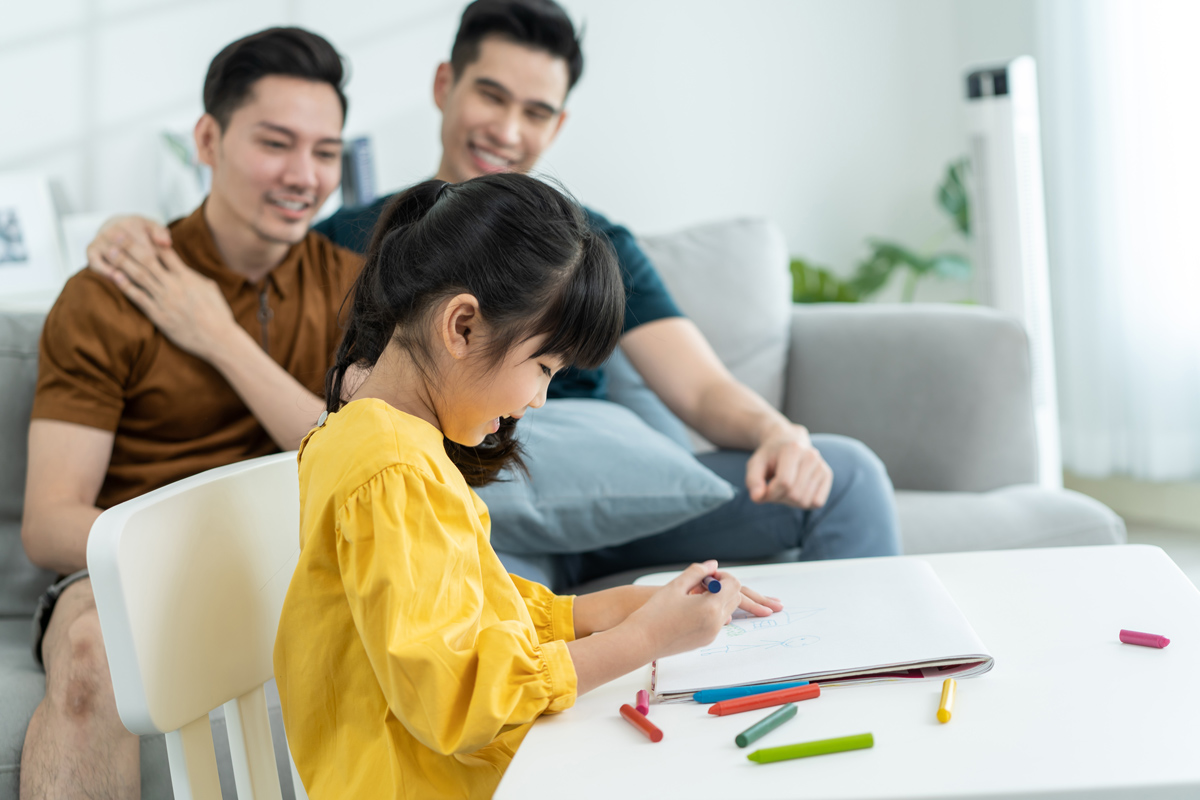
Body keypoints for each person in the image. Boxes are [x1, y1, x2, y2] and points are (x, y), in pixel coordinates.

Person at [87, 0, 901, 590]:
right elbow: (331, 408)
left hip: (616, 504)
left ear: (559, 125)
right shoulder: (353, 243)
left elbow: (700, 387)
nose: (508, 128)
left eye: (536, 110)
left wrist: (777, 431)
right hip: (472, 499)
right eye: (491, 95)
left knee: (849, 472)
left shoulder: (594, 249)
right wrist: (130, 228)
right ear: (445, 85)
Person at [273, 172, 783, 798]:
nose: (539, 399)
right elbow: (452, 697)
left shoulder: (378, 441)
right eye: (543, 368)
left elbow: (460, 609)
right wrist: (643, 638)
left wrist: (614, 608)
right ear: (460, 327)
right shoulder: (393, 468)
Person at [20, 28, 362, 798]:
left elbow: (358, 462)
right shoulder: (109, 292)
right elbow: (47, 522)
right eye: (277, 143)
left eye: (327, 152)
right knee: (91, 652)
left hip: (297, 561)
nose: (303, 176)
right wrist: (186, 557)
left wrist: (216, 335)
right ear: (207, 138)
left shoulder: (359, 291)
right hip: (128, 564)